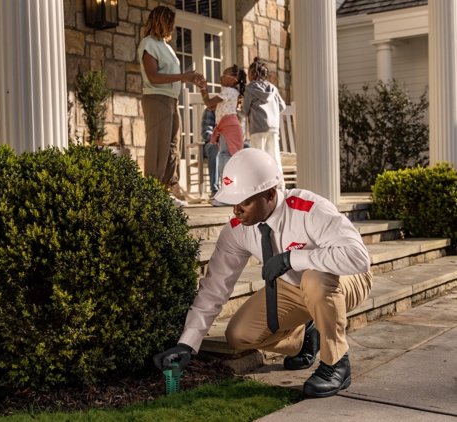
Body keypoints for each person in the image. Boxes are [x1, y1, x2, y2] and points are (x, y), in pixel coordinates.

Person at [153, 149, 373, 399]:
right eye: (233, 202)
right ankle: (304, 337)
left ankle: (336, 365)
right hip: (294, 288)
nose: (237, 210)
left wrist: (293, 258)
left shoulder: (309, 209)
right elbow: (214, 287)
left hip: (344, 279)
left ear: (270, 194)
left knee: (315, 279)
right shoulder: (237, 230)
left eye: (244, 202)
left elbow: (358, 258)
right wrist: (187, 343)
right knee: (239, 335)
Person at [138, 6, 202, 207]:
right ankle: (152, 193)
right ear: (162, 21)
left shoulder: (165, 46)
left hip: (171, 100)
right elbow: (153, 77)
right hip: (157, 99)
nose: (174, 27)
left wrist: (188, 77)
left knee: (173, 145)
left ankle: (166, 191)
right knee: (159, 145)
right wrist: (184, 76)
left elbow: (169, 75)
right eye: (171, 22)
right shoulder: (148, 44)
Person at [239, 57, 286, 188]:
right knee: (274, 156)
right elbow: (282, 107)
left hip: (258, 128)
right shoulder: (273, 89)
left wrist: (236, 114)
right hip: (273, 128)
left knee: (259, 156)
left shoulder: (249, 89)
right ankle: (280, 184)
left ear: (253, 73)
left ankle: (260, 185)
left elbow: (245, 110)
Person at [201, 108, 250, 200]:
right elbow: (205, 133)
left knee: (247, 147)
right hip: (212, 143)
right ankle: (215, 190)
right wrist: (221, 137)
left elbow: (241, 134)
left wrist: (230, 137)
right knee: (215, 147)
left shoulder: (237, 112)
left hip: (233, 143)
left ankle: (244, 187)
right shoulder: (211, 110)